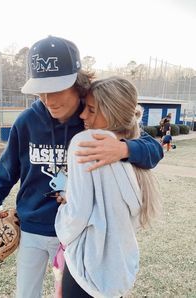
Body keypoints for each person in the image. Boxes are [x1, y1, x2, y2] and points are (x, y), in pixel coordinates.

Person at [0, 36, 163, 298]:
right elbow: (7, 171)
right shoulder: (28, 121)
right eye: (41, 91)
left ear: (79, 84)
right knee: (25, 294)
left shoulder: (93, 117)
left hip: (75, 234)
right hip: (32, 226)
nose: (47, 99)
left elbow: (153, 150)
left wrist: (124, 149)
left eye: (56, 89)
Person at [55, 76, 161, 298]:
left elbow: (77, 214)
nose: (83, 115)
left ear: (112, 112)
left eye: (92, 110)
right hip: (118, 269)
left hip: (86, 268)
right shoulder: (134, 144)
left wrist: (62, 228)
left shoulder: (86, 141)